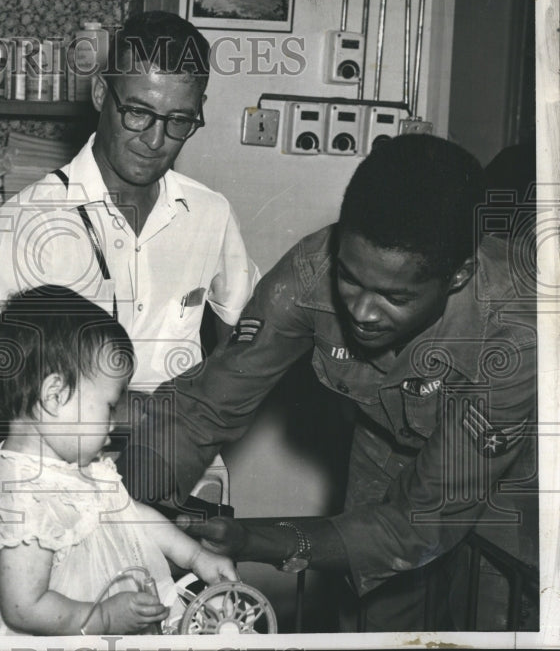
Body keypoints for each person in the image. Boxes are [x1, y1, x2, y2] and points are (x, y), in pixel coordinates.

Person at [131, 134, 538, 631]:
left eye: (394, 297)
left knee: (502, 617)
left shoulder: (516, 333)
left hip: (520, 468)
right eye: (350, 278)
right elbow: (203, 409)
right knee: (372, 620)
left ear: (459, 275)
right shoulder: (311, 271)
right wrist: (121, 504)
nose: (362, 311)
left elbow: (419, 524)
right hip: (388, 439)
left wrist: (256, 540)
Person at [0, 10, 259, 405]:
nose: (155, 140)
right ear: (102, 94)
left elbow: (241, 338)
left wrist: (211, 423)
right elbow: (1, 381)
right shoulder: (26, 220)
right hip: (67, 460)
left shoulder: (210, 213)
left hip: (185, 454)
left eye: (179, 120)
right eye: (138, 113)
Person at [0, 286, 238, 636]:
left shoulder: (76, 462)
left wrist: (195, 557)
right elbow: (22, 608)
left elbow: (130, 514)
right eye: (108, 407)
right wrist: (103, 618)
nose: (113, 423)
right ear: (55, 395)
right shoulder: (21, 490)